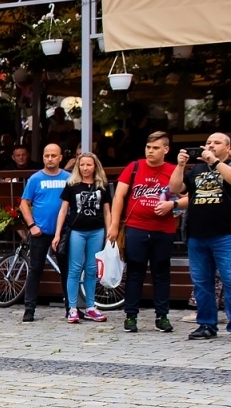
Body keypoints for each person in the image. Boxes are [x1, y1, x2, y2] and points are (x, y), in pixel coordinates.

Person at [110, 132, 179, 333]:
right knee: (134, 272)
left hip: (163, 229)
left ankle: (162, 316)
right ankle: (131, 316)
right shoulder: (134, 167)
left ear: (166, 149)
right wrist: (114, 224)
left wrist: (172, 205)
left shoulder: (172, 170)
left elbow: (186, 197)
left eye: (155, 148)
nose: (150, 151)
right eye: (148, 147)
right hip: (136, 227)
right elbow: (119, 196)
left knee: (161, 272)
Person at [171, 133, 231, 339]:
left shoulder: (226, 166)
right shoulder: (197, 169)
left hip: (225, 234)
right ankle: (206, 324)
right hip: (197, 235)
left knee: (230, 279)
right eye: (208, 142)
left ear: (228, 148)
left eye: (217, 142)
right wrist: (180, 166)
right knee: (202, 282)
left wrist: (214, 162)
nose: (211, 145)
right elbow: (175, 188)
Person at [56, 151, 114, 324]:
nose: (85, 168)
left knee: (91, 269)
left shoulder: (101, 185)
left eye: (88, 165)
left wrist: (110, 231)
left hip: (97, 230)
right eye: (82, 165)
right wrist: (58, 233)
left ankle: (90, 306)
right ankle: (72, 307)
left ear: (95, 166)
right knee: (74, 268)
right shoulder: (72, 185)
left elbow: (107, 211)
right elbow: (63, 210)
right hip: (77, 231)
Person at [18, 144, 69, 322]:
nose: (50, 159)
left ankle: (71, 308)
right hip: (40, 232)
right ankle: (29, 309)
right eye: (47, 155)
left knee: (67, 270)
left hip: (63, 232)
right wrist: (31, 225)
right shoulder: (35, 178)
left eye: (53, 155)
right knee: (35, 269)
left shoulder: (69, 178)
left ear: (60, 157)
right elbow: (24, 203)